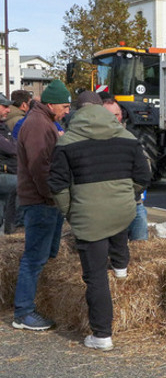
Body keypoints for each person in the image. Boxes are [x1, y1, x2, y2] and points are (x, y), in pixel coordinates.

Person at [48, 91, 151, 351]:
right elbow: (143, 175)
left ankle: (102, 335)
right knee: (117, 225)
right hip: (122, 209)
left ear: (76, 109)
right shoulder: (127, 138)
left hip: (87, 213)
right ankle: (121, 269)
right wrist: (128, 196)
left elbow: (58, 185)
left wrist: (70, 211)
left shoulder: (66, 141)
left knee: (94, 276)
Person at [12, 79, 71, 331]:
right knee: (34, 258)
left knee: (46, 254)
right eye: (65, 106)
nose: (67, 111)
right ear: (50, 104)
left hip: (45, 200)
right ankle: (23, 313)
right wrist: (52, 195)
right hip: (40, 201)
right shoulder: (38, 124)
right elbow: (39, 166)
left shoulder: (45, 121)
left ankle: (36, 303)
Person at [101, 94, 150, 241]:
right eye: (109, 115)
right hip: (107, 207)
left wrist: (130, 191)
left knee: (141, 247)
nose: (114, 119)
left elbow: (144, 172)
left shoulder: (132, 139)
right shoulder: (94, 142)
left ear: (121, 115)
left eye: (116, 114)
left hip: (134, 202)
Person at [0, 93, 18, 234]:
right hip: (4, 174)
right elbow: (12, 149)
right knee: (26, 185)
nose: (8, 110)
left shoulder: (3, 126)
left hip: (8, 172)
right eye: (5, 106)